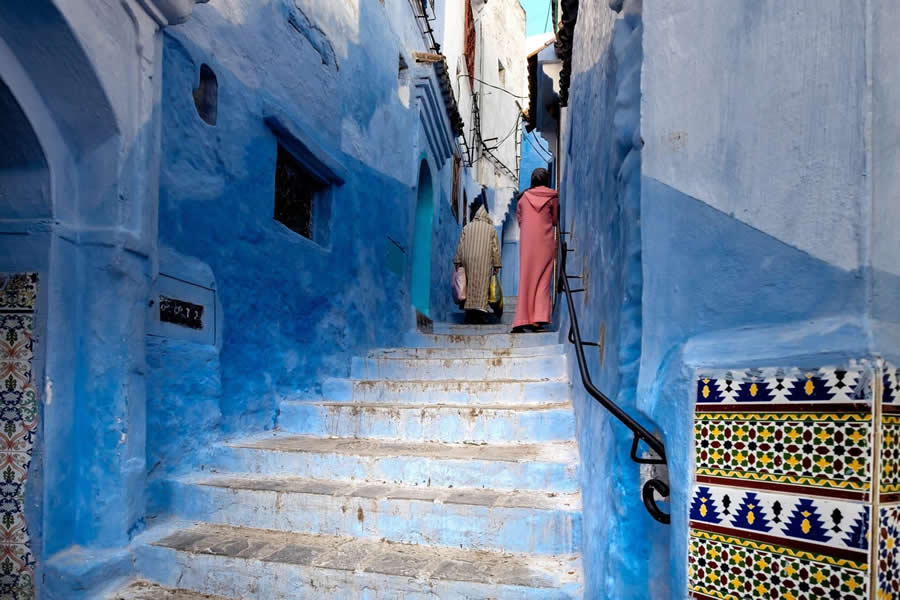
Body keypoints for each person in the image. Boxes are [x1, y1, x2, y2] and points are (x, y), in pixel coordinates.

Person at [512, 168, 558, 332]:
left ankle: (522, 320)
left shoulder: (523, 198)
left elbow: (520, 220)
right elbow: (554, 220)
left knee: (527, 279)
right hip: (545, 242)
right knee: (543, 280)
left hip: (527, 243)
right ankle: (538, 320)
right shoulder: (552, 196)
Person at [454, 196, 501, 324]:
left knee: (468, 285)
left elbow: (460, 245)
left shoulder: (467, 227)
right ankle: (480, 315)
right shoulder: (491, 229)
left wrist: (457, 262)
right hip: (484, 261)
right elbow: (495, 248)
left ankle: (469, 315)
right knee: (482, 286)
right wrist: (497, 264)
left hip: (467, 260)